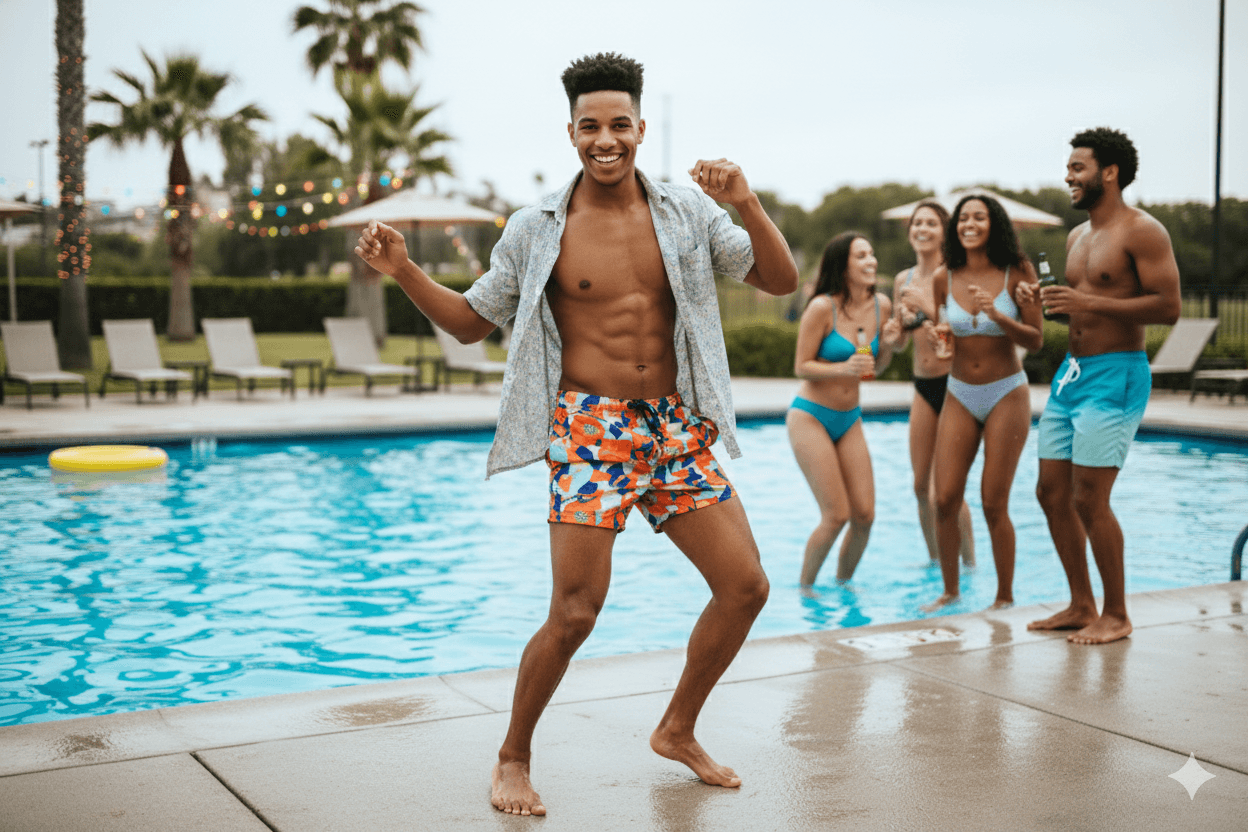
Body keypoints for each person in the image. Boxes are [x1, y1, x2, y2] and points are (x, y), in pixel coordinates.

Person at [355, 52, 798, 816]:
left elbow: (780, 280)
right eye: (590, 126)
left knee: (745, 587)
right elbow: (468, 323)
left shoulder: (689, 212)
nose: (605, 139)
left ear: (640, 128)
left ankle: (678, 728)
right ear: (571, 131)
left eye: (619, 125)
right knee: (576, 611)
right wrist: (403, 270)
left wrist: (748, 203)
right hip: (591, 428)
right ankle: (512, 757)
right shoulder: (536, 229)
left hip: (673, 426)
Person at [1019, 127, 1181, 644]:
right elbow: (1080, 313)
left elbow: (1168, 308)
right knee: (1050, 491)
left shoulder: (1143, 231)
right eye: (1068, 167)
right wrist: (1051, 303)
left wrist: (1089, 303)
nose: (1068, 177)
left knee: (1090, 497)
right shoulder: (1077, 236)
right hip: (1072, 374)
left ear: (1108, 173)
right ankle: (1080, 603)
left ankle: (1117, 614)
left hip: (1117, 375)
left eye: (1078, 168)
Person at [921, 194, 1042, 612]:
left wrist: (1000, 315)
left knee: (993, 502)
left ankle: (1004, 597)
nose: (970, 224)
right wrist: (941, 345)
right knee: (945, 498)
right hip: (959, 392)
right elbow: (945, 336)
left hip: (1006, 391)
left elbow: (1036, 339)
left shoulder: (1018, 272)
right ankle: (951, 591)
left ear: (995, 225)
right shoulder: (943, 276)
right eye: (963, 218)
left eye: (980, 217)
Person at [788, 232, 898, 586]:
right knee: (836, 515)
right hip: (811, 416)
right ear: (843, 265)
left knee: (864, 516)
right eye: (862, 256)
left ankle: (842, 588)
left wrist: (891, 348)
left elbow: (874, 369)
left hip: (850, 418)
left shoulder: (882, 305)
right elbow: (801, 366)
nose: (872, 261)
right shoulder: (823, 307)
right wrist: (841, 368)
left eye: (872, 254)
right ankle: (806, 592)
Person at [890, 201, 975, 567]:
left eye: (931, 223)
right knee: (920, 486)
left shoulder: (955, 275)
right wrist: (893, 334)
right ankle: (936, 562)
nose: (922, 229)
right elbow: (901, 341)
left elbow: (970, 335)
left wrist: (929, 305)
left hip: (955, 387)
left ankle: (968, 565)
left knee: (948, 490)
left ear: (944, 232)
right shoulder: (902, 280)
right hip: (922, 385)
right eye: (916, 223)